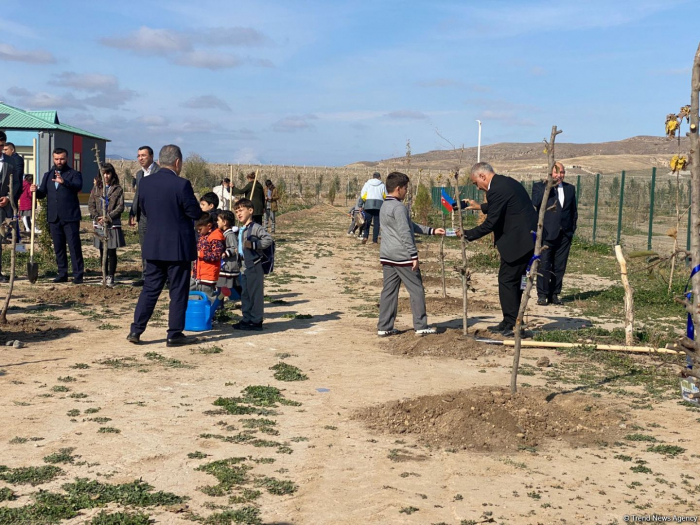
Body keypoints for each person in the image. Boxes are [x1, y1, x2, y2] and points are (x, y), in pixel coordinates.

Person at [127, 144, 202, 347]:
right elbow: (194, 213)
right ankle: (174, 333)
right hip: (177, 247)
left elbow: (144, 210)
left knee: (150, 289)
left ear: (159, 161)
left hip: (153, 244)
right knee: (178, 291)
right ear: (178, 162)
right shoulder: (182, 185)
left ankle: (136, 330)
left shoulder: (145, 183)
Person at [461, 162, 537, 337]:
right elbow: (504, 205)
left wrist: (467, 234)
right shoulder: (505, 182)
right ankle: (511, 321)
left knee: (508, 281)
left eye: (475, 183)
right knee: (512, 281)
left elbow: (491, 223)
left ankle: (513, 324)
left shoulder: (496, 189)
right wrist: (480, 206)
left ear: (482, 176)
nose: (478, 187)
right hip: (524, 238)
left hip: (519, 242)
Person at [377, 171, 445, 337]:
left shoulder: (385, 205)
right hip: (402, 257)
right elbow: (405, 232)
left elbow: (408, 224)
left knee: (389, 291)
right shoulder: (399, 207)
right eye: (405, 188)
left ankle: (384, 327)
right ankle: (421, 326)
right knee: (416, 290)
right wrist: (413, 256)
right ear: (399, 189)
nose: (406, 191)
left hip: (387, 255)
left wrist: (432, 231)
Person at [31, 147, 85, 284]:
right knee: (59, 247)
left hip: (70, 217)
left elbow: (78, 186)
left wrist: (64, 182)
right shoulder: (48, 175)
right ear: (53, 159)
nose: (59, 161)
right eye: (56, 159)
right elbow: (43, 193)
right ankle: (62, 273)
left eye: (61, 158)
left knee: (74, 247)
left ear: (66, 158)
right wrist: (35, 191)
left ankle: (78, 274)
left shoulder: (74, 173)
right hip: (54, 217)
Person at [532, 162, 578, 306]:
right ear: (550, 173)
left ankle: (555, 294)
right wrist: (548, 186)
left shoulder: (570, 189)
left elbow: (573, 212)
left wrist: (571, 230)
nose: (559, 175)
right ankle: (542, 294)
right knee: (544, 264)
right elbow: (536, 202)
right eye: (556, 172)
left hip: (564, 234)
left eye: (562, 172)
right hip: (546, 233)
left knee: (560, 266)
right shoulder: (539, 187)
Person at [233, 198, 272, 331]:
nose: (238, 213)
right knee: (245, 294)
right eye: (236, 211)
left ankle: (256, 320)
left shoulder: (256, 228)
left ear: (250, 211)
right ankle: (246, 319)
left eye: (241, 210)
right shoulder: (241, 229)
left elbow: (268, 240)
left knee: (255, 294)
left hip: (254, 266)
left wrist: (254, 245)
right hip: (243, 266)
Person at [88, 163, 126, 288]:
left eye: (108, 173)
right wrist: (96, 217)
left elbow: (120, 207)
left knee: (111, 251)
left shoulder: (118, 189)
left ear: (112, 174)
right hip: (99, 224)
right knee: (101, 250)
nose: (106, 176)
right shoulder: (96, 189)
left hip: (112, 224)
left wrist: (108, 217)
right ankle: (103, 275)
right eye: (103, 173)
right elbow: (91, 204)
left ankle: (111, 276)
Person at [129, 146, 159, 287]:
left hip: (157, 216)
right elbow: (137, 195)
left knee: (157, 246)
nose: (140, 158)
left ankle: (159, 276)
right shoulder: (139, 174)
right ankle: (146, 276)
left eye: (143, 155)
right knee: (145, 247)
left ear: (151, 156)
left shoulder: (159, 172)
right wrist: (132, 211)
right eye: (138, 156)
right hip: (143, 217)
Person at [191, 212, 225, 300]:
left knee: (207, 297)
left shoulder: (216, 236)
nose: (198, 232)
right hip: (197, 274)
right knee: (193, 295)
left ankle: (208, 313)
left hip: (208, 275)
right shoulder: (203, 235)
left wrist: (200, 254)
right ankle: (196, 313)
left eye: (200, 229)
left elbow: (216, 255)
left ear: (209, 225)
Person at [0, 131, 17, 283]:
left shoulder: (10, 162)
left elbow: (16, 184)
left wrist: (8, 197)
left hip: (2, 207)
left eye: (1, 146)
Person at [216, 210, 241, 295]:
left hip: (229, 266)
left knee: (225, 285)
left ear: (225, 222)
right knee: (223, 285)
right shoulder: (223, 234)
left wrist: (225, 253)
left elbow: (234, 248)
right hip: (225, 266)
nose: (217, 222)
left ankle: (219, 304)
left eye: (218, 220)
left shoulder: (230, 235)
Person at [3, 142, 24, 241]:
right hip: (7, 189)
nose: (4, 151)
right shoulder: (5, 160)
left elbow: (17, 174)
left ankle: (14, 235)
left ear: (13, 150)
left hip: (13, 190)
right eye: (4, 149)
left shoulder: (17, 159)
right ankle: (7, 234)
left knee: (12, 212)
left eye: (6, 149)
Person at [358, 172, 386, 244]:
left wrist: (360, 205)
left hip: (368, 205)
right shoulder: (382, 185)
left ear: (373, 177)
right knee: (377, 224)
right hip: (379, 206)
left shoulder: (367, 184)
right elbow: (385, 196)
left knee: (367, 222)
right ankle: (374, 240)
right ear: (379, 177)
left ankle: (365, 237)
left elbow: (363, 195)